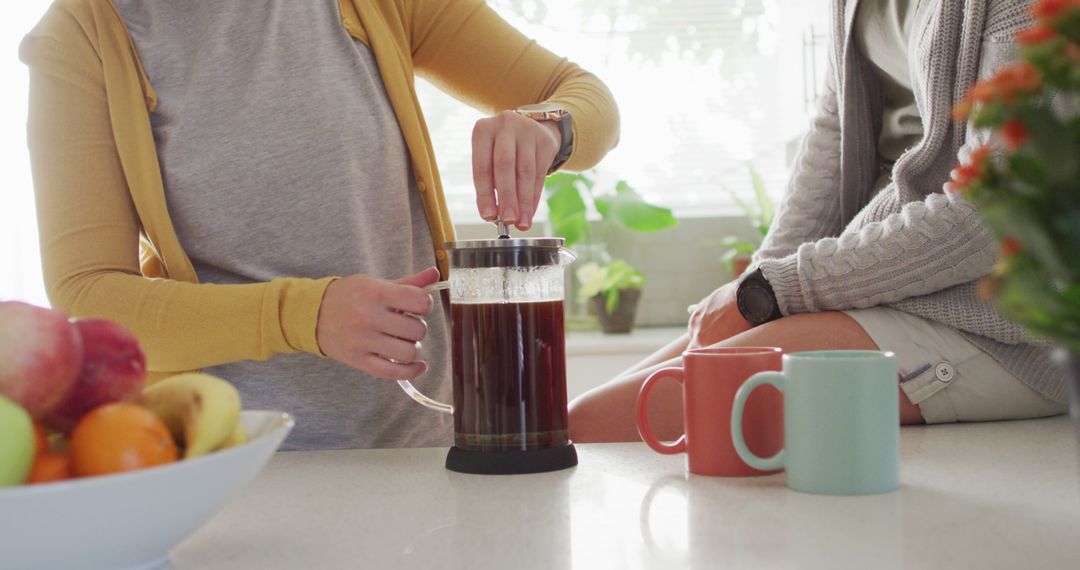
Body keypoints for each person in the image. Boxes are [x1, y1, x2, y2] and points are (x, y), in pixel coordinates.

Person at [20, 0, 618, 450]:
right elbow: (89, 290)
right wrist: (305, 315)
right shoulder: (82, 35)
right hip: (235, 463)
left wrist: (548, 127)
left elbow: (584, 95)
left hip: (424, 449)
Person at [569, 0, 1066, 443]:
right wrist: (754, 286)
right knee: (579, 417)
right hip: (885, 284)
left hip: (992, 320)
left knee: (603, 424)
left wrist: (775, 290)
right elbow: (831, 139)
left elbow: (992, 215)